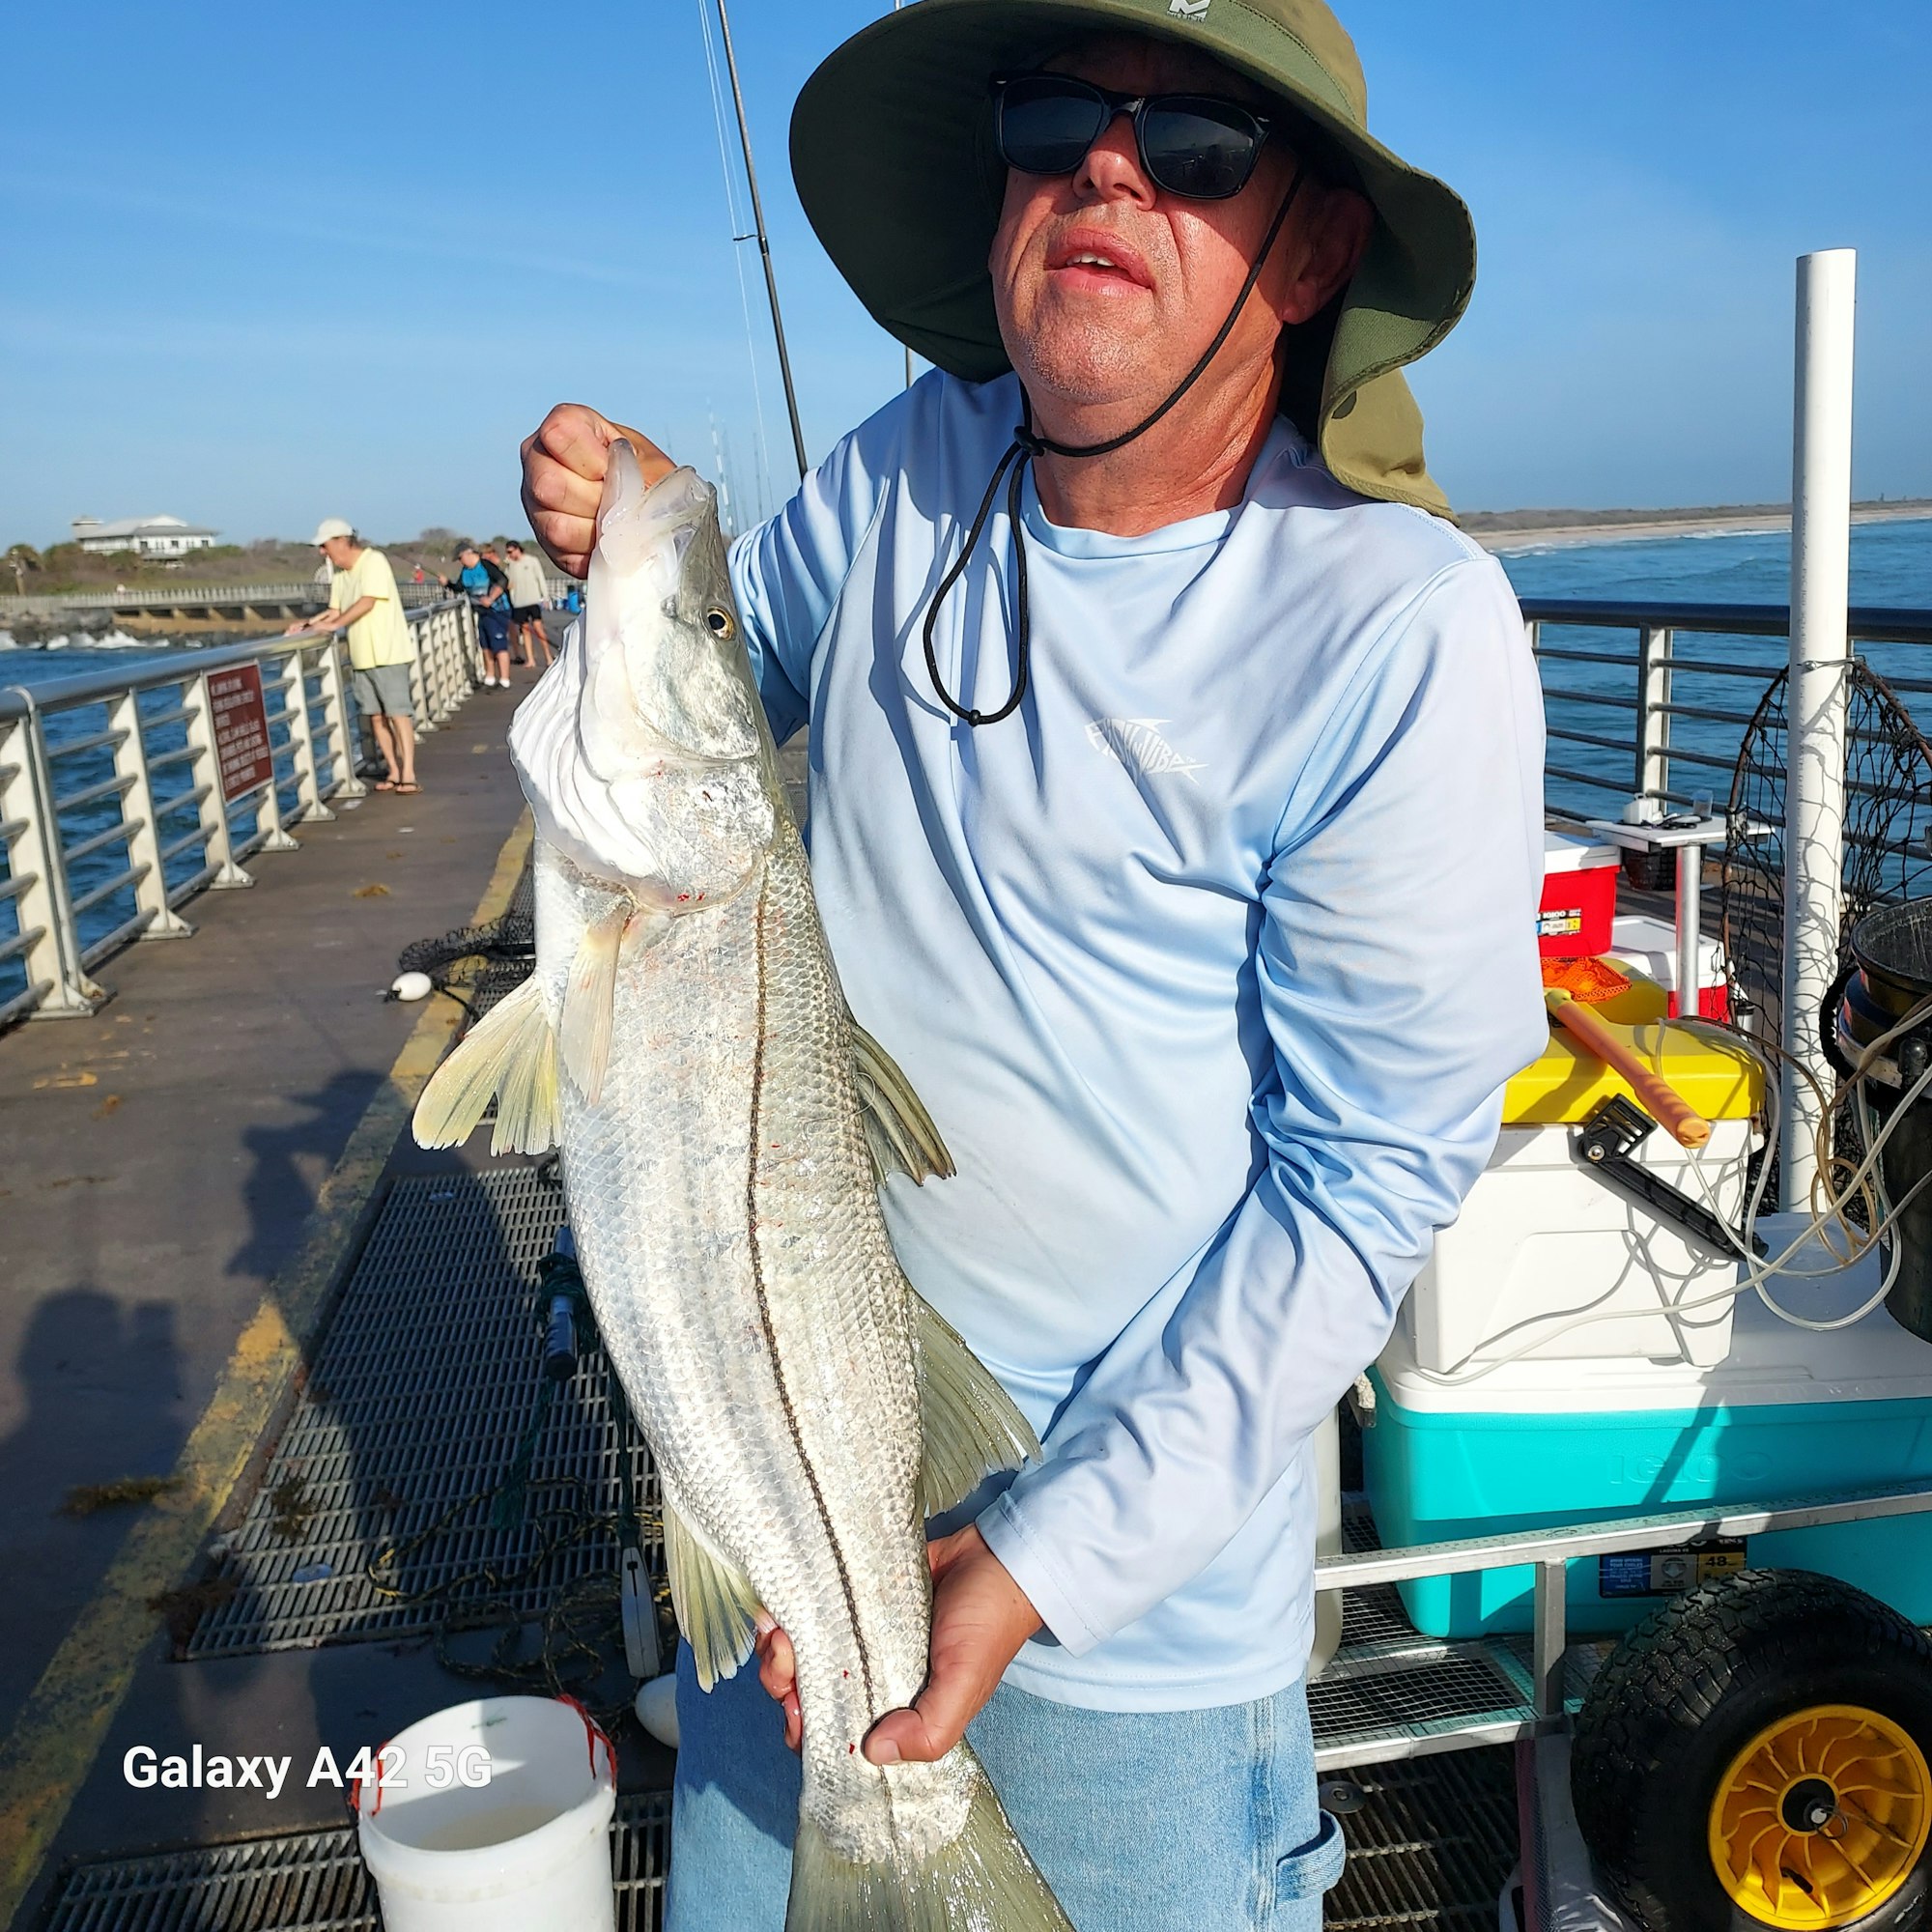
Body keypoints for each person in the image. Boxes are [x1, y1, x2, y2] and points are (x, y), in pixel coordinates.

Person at [521, 3, 1545, 1927]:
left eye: (1202, 145)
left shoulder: (1403, 631)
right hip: (796, 1496)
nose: (1104, 166)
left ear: (1314, 251)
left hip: (1125, 1628)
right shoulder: (913, 456)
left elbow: (1367, 1179)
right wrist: (634, 557)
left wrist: (1032, 1559)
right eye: (1056, 112)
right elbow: (710, 727)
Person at [286, 518, 419, 794]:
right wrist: (308, 624)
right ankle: (393, 771)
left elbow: (367, 601)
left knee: (398, 714)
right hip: (362, 656)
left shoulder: (374, 561)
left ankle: (408, 773)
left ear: (342, 541)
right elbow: (334, 611)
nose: (323, 552)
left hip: (388, 651)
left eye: (325, 546)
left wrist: (335, 625)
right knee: (375, 716)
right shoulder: (340, 576)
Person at [438, 542, 513, 687]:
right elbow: (459, 588)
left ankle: (504, 680)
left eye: (460, 558)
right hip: (481, 612)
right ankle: (489, 677)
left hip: (497, 610)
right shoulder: (465, 571)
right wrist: (447, 583)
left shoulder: (485, 565)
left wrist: (491, 598)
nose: (461, 562)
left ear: (468, 554)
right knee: (485, 645)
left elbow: (503, 581)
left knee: (499, 645)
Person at [502, 538, 554, 669]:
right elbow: (508, 582)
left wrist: (545, 597)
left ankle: (548, 656)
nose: (510, 555)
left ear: (518, 549)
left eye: (511, 552)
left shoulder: (532, 561)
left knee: (538, 628)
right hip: (518, 602)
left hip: (532, 599)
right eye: (507, 552)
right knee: (525, 631)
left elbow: (540, 578)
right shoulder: (510, 565)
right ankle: (531, 659)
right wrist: (507, 565)